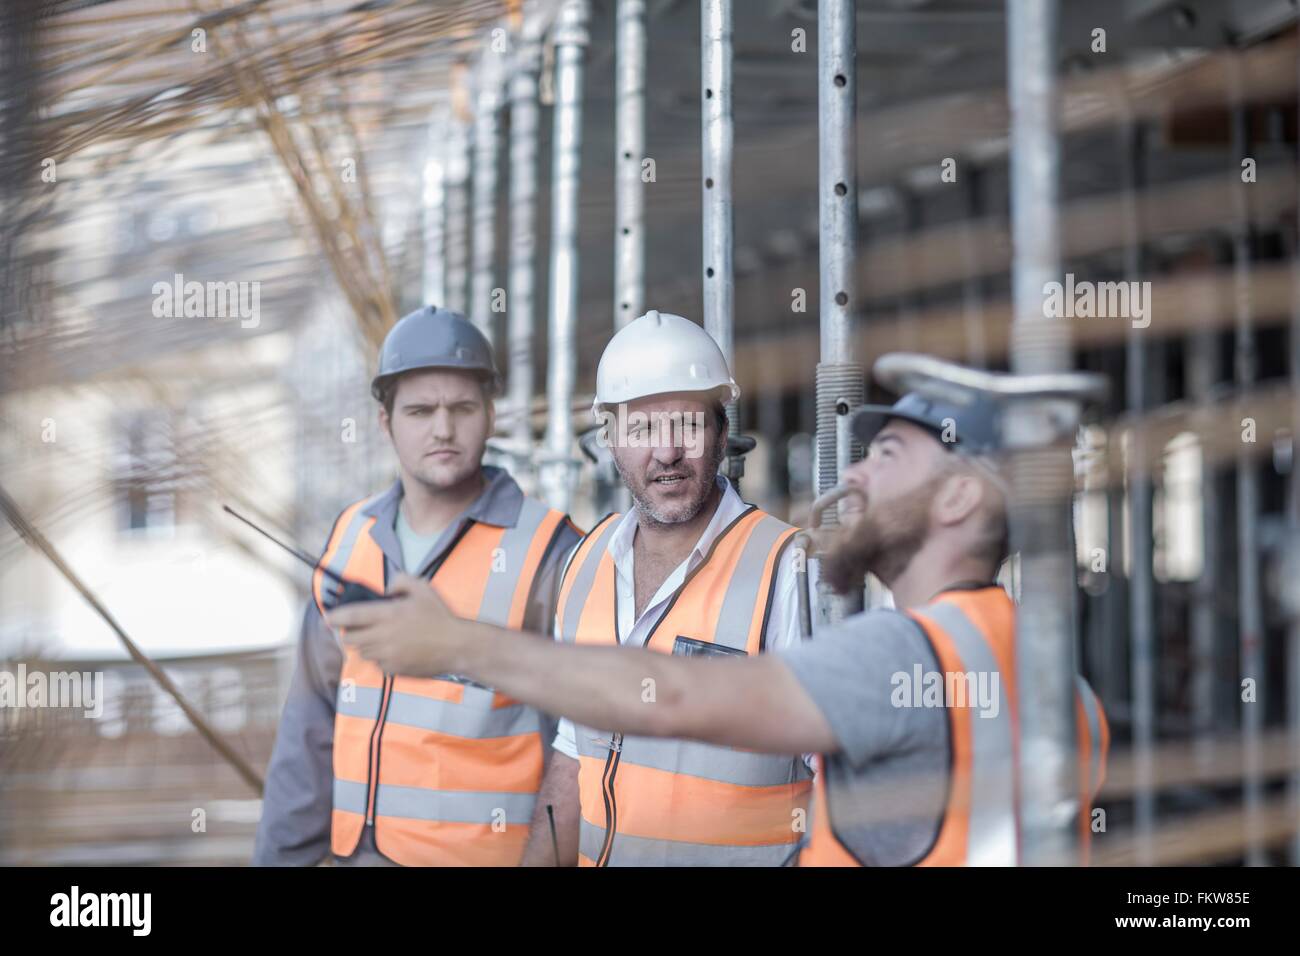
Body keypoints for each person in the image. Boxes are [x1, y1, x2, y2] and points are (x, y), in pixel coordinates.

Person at [327, 384, 1109, 866]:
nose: (857, 472)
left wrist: (458, 643)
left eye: (891, 455)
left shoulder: (898, 657)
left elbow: (668, 696)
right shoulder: (1060, 685)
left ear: (959, 500)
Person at [253, 305, 581, 866]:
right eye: (420, 410)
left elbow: (580, 752)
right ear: (386, 423)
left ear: (491, 414)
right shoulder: (351, 538)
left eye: (462, 408)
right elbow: (309, 733)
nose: (443, 429)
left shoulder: (554, 551)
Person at [530, 309, 810, 866]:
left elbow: (840, 779)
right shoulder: (585, 562)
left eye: (687, 424)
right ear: (609, 439)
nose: (667, 452)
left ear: (723, 432)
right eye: (642, 429)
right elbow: (572, 749)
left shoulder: (788, 569)